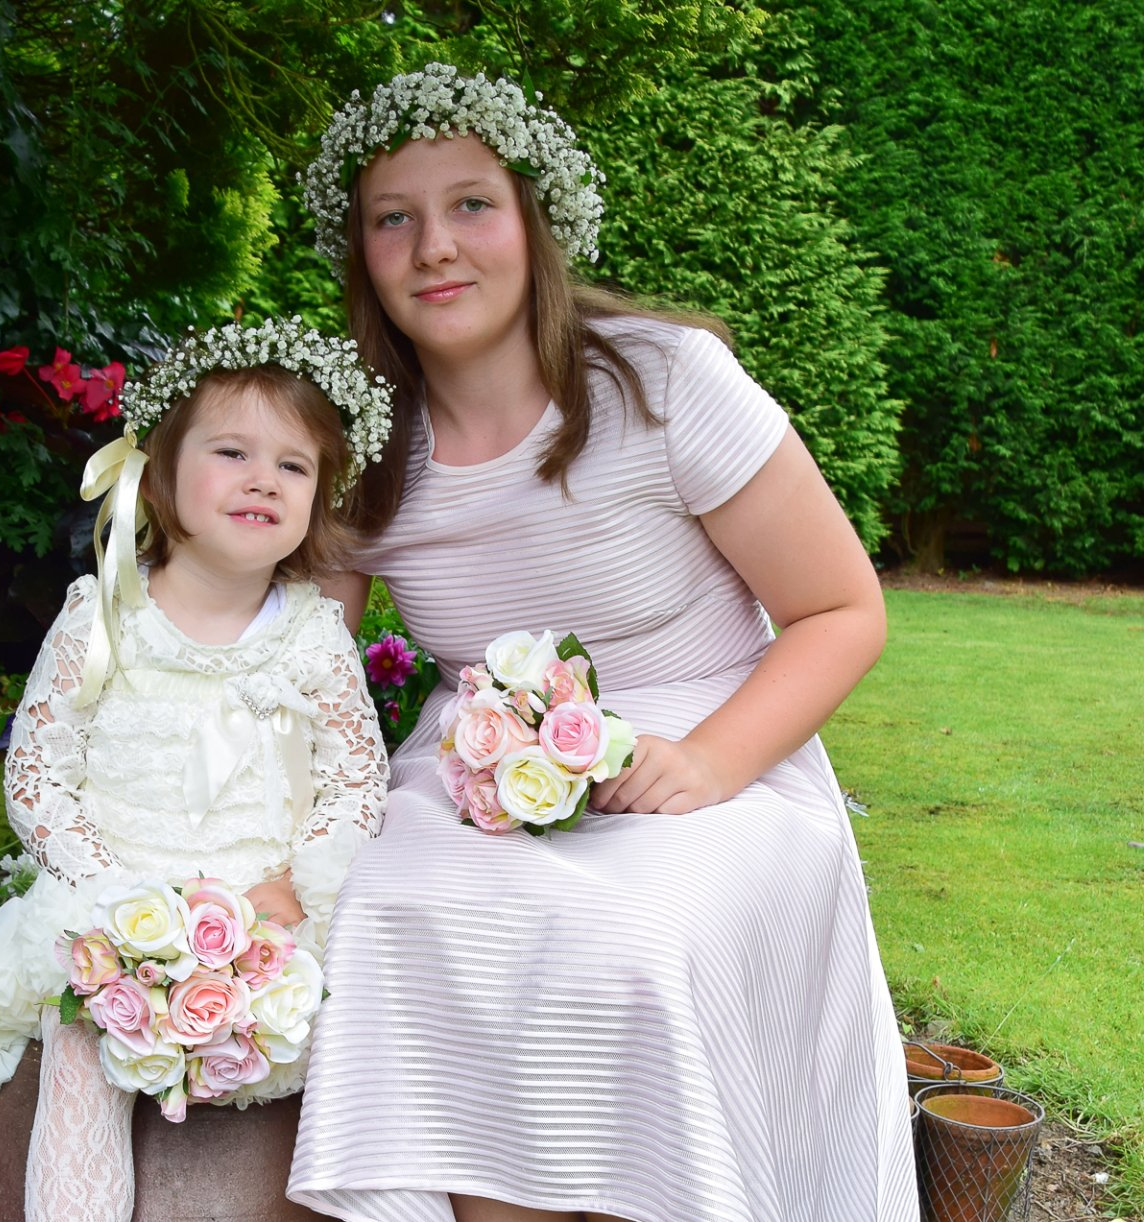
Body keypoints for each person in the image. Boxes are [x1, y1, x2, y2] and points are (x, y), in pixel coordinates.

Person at [285, 65, 916, 1222]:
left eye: (471, 203)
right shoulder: (359, 446)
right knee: (393, 917)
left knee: (627, 938)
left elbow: (842, 609)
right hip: (473, 773)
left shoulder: (667, 383)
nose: (436, 246)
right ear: (361, 252)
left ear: (534, 217)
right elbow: (304, 674)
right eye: (394, 218)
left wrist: (715, 760)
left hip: (717, 749)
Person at [0, 317, 392, 1221]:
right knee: (82, 1028)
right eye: (232, 452)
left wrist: (293, 887)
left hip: (261, 908)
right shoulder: (106, 617)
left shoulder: (312, 633)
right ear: (163, 473)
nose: (264, 479)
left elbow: (356, 780)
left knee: (335, 1021)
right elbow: (38, 774)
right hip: (115, 897)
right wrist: (105, 893)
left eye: (294, 467)